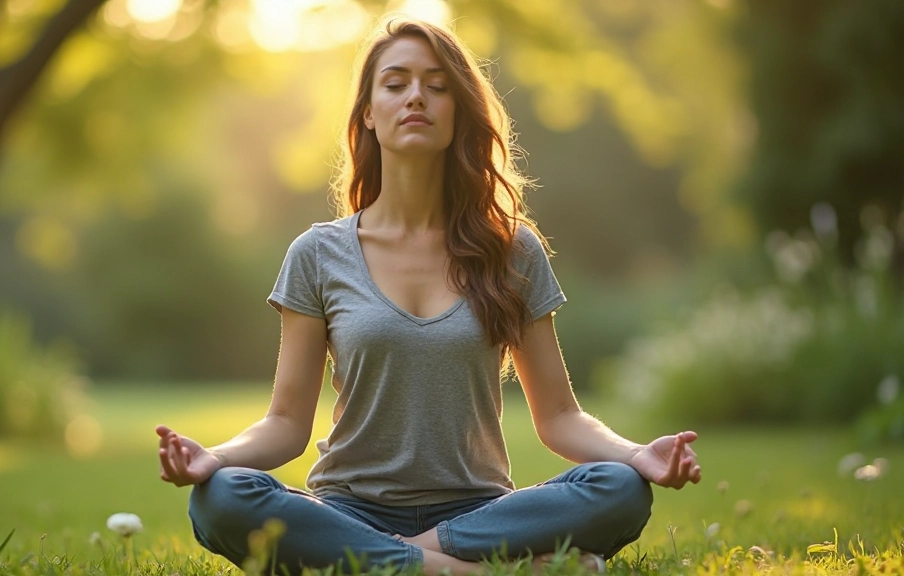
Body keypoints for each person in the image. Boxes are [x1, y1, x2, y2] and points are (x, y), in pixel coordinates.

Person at [156, 17, 701, 576]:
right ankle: (479, 571)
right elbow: (286, 424)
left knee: (620, 489)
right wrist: (214, 458)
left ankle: (388, 562)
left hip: (479, 511)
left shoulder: (513, 250)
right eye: (396, 83)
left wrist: (637, 456)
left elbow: (560, 417)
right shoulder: (318, 254)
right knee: (220, 498)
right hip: (348, 509)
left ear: (458, 111)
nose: (417, 96)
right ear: (367, 112)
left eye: (438, 86)